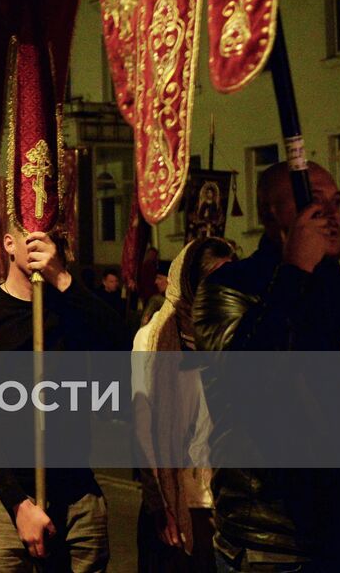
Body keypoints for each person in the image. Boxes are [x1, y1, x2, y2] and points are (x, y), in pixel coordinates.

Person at [195, 162, 340, 571]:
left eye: (336, 203)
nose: (331, 215)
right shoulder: (231, 290)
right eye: (313, 202)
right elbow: (249, 386)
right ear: (271, 213)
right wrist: (295, 271)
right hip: (275, 542)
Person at [0, 226, 129, 572]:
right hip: (3, 498)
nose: (42, 246)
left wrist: (62, 278)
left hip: (76, 494)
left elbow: (121, 342)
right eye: (31, 237)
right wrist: (19, 505)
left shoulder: (71, 308)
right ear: (8, 245)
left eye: (51, 239)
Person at [132, 238, 232, 573]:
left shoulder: (237, 332)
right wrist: (160, 505)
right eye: (213, 281)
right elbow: (144, 428)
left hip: (228, 500)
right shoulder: (154, 339)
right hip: (178, 503)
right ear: (190, 283)